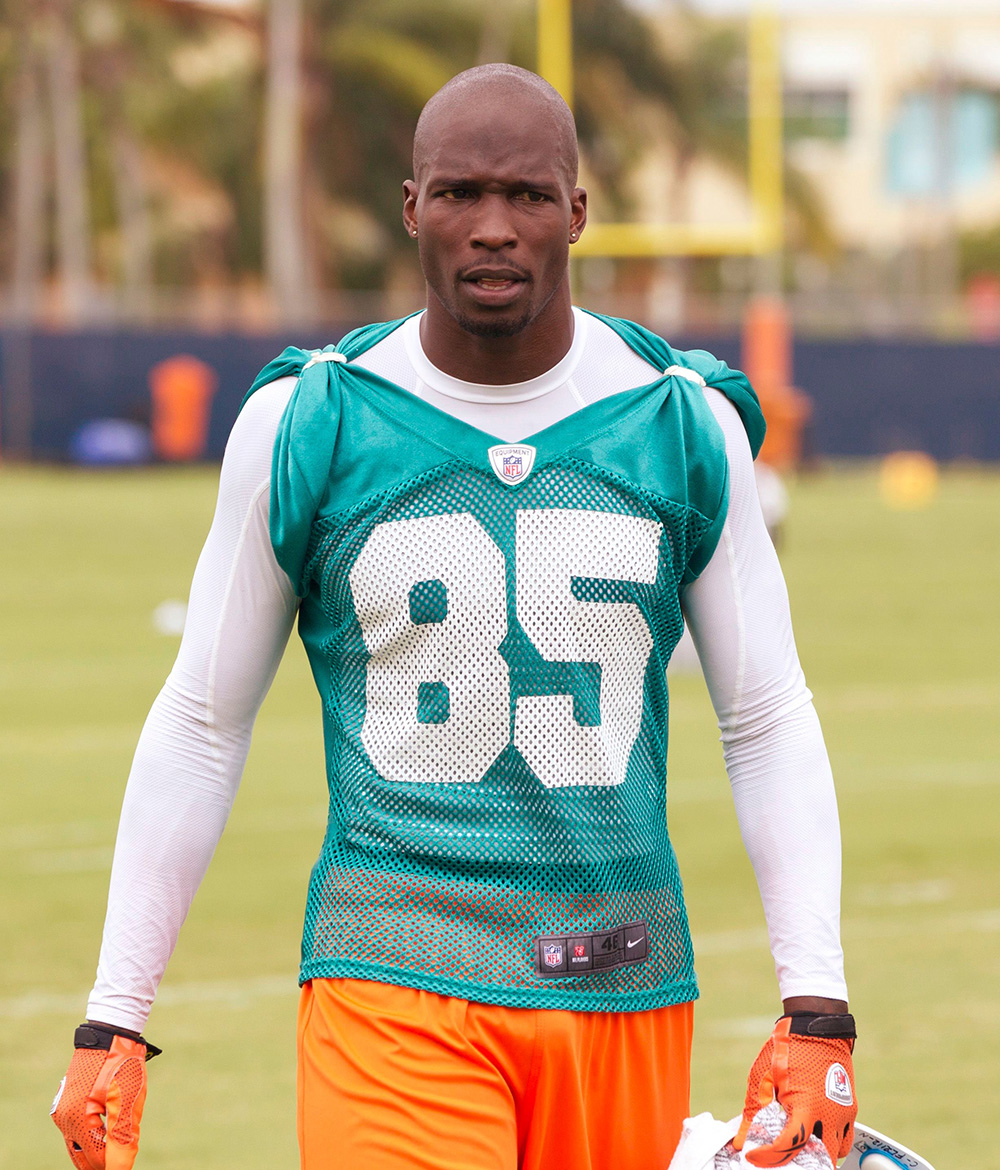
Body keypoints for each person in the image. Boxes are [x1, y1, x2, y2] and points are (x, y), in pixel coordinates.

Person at [52, 65, 856, 1170]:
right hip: (393, 969)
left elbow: (764, 714)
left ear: (576, 212)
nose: (492, 229)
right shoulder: (313, 421)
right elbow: (200, 718)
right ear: (410, 206)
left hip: (620, 978)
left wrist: (816, 1002)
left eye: (526, 196)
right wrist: (114, 1015)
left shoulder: (677, 421)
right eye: (459, 193)